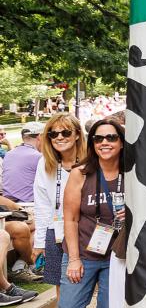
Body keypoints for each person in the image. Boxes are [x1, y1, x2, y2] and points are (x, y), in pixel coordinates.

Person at [42, 118, 124, 308]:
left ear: (122, 141)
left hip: (117, 256)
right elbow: (71, 218)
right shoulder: (81, 173)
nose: (105, 143)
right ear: (91, 143)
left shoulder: (131, 173)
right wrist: (74, 259)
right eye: (99, 138)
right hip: (83, 253)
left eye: (111, 138)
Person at [33, 115, 87, 293]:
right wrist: (39, 242)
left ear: (77, 134)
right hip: (56, 231)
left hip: (89, 229)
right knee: (62, 288)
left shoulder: (91, 160)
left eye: (65, 132)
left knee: (96, 285)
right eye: (53, 133)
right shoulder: (45, 164)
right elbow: (42, 205)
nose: (59, 137)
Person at [3, 122, 43, 203]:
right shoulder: (38, 157)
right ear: (40, 137)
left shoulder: (9, 154)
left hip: (7, 203)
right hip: (28, 205)